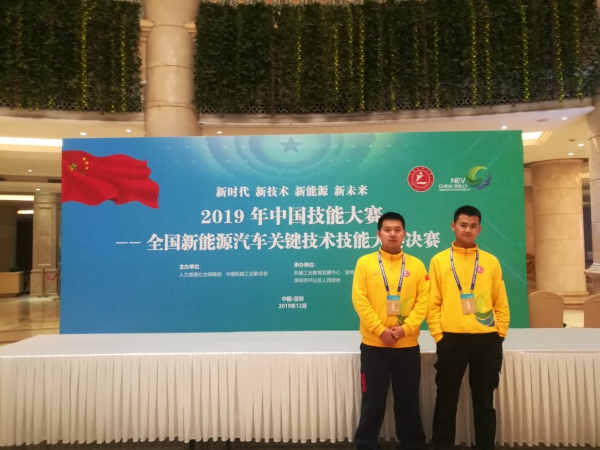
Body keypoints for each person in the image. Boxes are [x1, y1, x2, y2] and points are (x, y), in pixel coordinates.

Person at [427, 205, 510, 450]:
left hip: (487, 340)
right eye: (463, 225)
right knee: (446, 399)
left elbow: (500, 301)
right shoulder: (439, 260)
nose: (468, 230)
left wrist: (499, 334)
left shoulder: (491, 261)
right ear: (453, 226)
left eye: (473, 226)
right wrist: (439, 335)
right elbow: (433, 302)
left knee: (484, 402)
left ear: (479, 229)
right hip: (451, 339)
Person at [352, 211, 429, 450]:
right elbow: (360, 300)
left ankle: (412, 444)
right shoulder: (365, 263)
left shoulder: (416, 265)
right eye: (387, 230)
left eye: (397, 230)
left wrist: (405, 329)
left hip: (407, 346)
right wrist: (380, 330)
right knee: (373, 400)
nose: (392, 234)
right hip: (374, 345)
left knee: (408, 400)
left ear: (405, 234)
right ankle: (366, 444)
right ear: (379, 233)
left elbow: (423, 302)